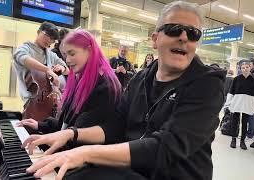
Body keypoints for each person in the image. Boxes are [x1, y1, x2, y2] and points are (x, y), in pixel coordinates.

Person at [24, 2, 225, 180]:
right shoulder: (140, 79)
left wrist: (85, 153)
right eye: (174, 29)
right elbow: (115, 126)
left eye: (193, 33)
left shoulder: (207, 84)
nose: (184, 37)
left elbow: (166, 147)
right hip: (136, 170)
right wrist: (70, 134)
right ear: (155, 39)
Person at [19, 29, 122, 154]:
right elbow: (66, 125)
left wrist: (46, 141)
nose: (67, 60)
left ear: (89, 51)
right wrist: (40, 125)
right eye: (65, 55)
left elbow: (78, 136)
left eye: (72, 54)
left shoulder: (105, 87)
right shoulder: (80, 80)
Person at [13, 22, 69, 104]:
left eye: (52, 39)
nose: (49, 40)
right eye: (47, 35)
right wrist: (47, 69)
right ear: (38, 31)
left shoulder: (50, 54)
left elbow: (67, 69)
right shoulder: (25, 48)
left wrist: (62, 68)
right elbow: (23, 58)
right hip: (30, 100)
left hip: (49, 98)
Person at [225, 61, 254, 150]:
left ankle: (242, 141)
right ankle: (233, 139)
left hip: (248, 103)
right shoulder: (236, 79)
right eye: (243, 68)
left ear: (250, 68)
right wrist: (228, 103)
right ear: (240, 69)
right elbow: (231, 91)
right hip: (237, 102)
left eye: (247, 67)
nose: (245, 69)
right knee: (234, 121)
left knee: (245, 122)